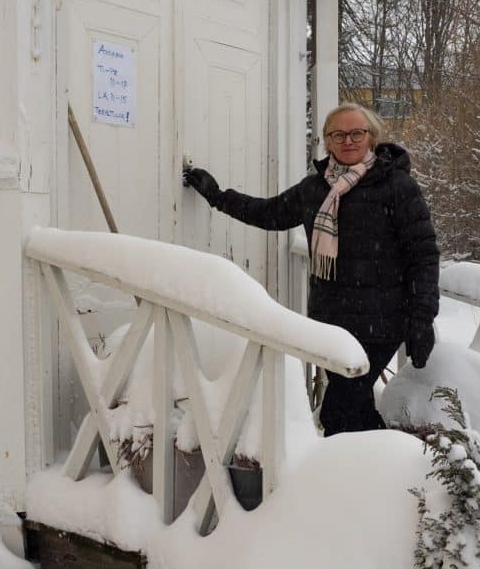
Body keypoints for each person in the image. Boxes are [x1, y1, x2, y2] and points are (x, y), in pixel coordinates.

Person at [182, 102, 439, 435]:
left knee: (341, 409)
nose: (348, 141)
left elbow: (423, 254)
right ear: (327, 141)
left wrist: (422, 318)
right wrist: (217, 196)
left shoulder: (396, 186)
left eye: (356, 133)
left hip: (382, 322)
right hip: (330, 322)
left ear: (371, 137)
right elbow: (268, 213)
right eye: (338, 134)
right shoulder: (315, 189)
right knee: (353, 407)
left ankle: (355, 470)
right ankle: (377, 468)